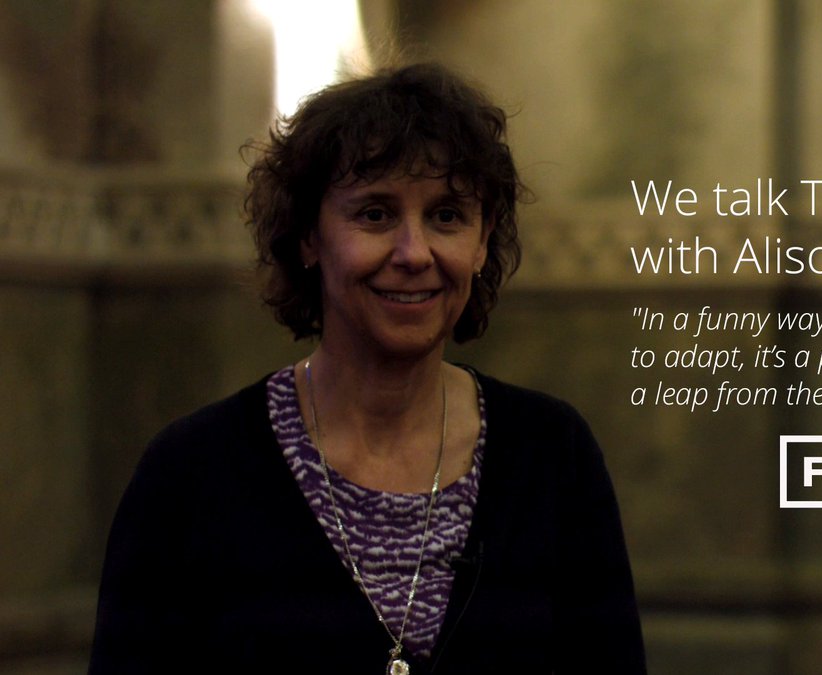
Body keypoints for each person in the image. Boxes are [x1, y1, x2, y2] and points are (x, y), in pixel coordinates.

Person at [88, 63, 646, 675]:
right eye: (376, 215)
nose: (414, 253)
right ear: (308, 236)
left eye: (447, 216)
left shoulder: (553, 454)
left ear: (483, 241)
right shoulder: (190, 472)